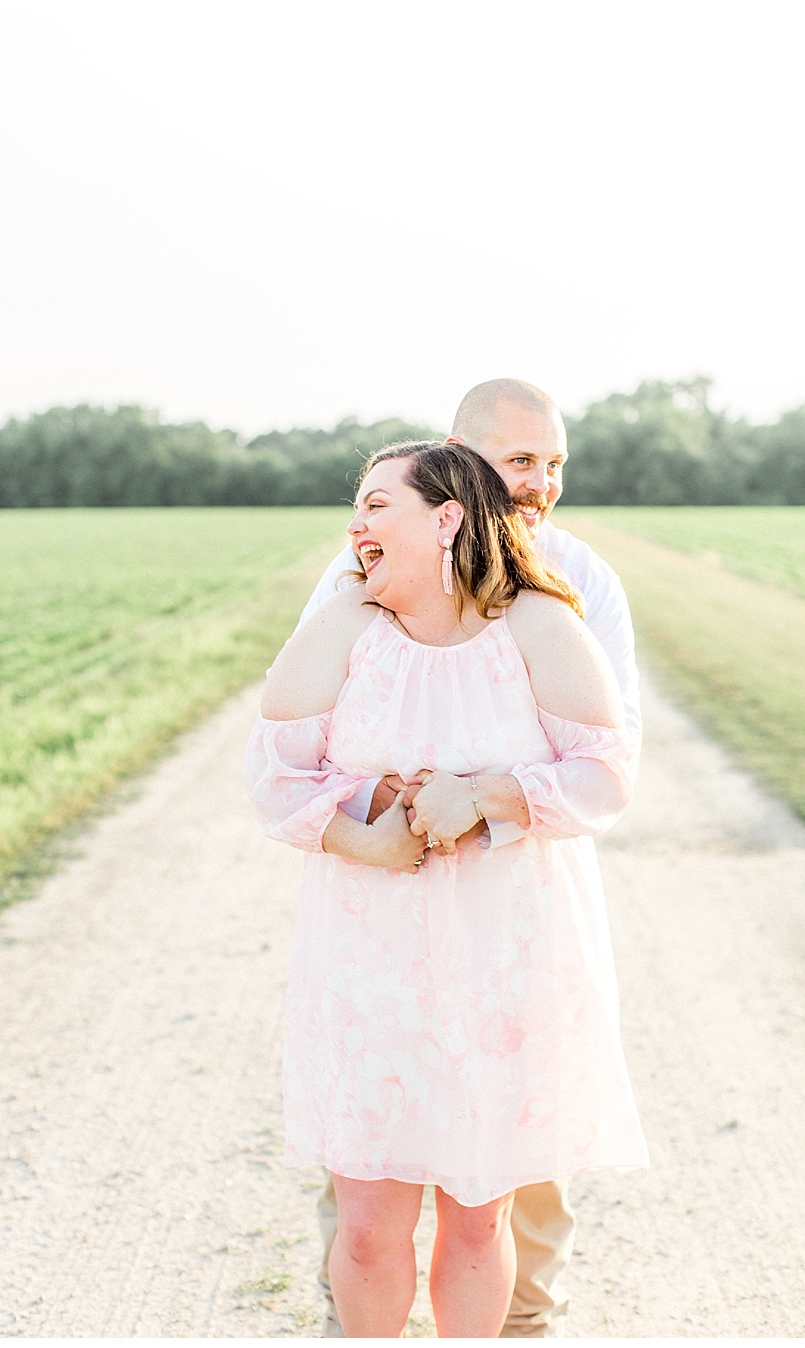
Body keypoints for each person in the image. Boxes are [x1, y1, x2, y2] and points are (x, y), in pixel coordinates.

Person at [246, 441, 647, 1337]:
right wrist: (364, 834)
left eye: (377, 504)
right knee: (367, 1227)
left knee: (478, 1220)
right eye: (358, 506)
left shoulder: (542, 625)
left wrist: (488, 796)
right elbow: (272, 772)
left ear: (448, 517)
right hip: (368, 961)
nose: (357, 525)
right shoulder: (345, 624)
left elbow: (607, 771)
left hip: (504, 962)